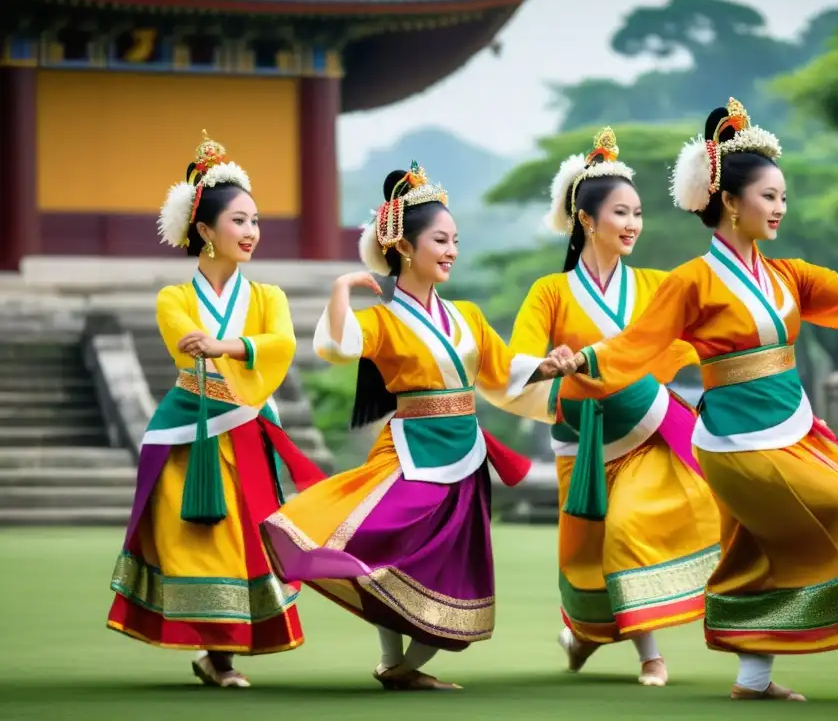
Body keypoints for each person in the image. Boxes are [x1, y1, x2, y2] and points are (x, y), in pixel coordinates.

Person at [558, 99, 838, 701]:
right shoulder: (690, 281)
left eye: (782, 197)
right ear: (730, 202)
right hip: (736, 442)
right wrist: (578, 362)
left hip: (792, 428)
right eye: (768, 196)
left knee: (755, 551)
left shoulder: (787, 275)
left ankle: (753, 680)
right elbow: (636, 344)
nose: (779, 208)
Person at [261, 162, 574, 691]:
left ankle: (401, 667)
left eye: (455, 240)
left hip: (465, 455)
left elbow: (501, 375)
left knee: (455, 560)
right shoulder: (381, 320)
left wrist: (548, 365)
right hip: (410, 452)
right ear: (404, 247)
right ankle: (395, 662)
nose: (451, 250)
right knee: (381, 544)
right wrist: (340, 291)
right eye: (440, 240)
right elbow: (336, 347)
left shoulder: (468, 315)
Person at [106, 132, 327, 688]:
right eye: (239, 221)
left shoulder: (268, 297)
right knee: (197, 542)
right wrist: (208, 343)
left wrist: (227, 346)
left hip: (244, 435)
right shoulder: (173, 298)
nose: (252, 232)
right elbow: (183, 337)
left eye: (255, 221)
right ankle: (217, 654)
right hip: (188, 437)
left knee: (242, 542)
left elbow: (280, 345)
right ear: (204, 231)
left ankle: (219, 654)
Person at [508, 127, 720, 687]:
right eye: (621, 212)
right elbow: (520, 358)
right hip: (584, 441)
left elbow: (705, 333)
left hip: (650, 428)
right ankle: (580, 637)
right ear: (587, 219)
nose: (632, 224)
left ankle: (651, 655)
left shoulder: (655, 285)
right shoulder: (549, 293)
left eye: (638, 212)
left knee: (629, 528)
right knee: (590, 555)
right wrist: (548, 363)